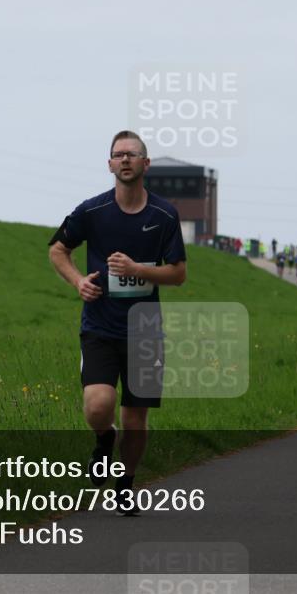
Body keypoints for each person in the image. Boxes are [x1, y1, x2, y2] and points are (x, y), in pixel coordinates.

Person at [47, 130, 187, 515]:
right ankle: (103, 440)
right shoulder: (91, 211)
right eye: (118, 154)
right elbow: (58, 249)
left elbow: (177, 274)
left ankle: (125, 484)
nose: (125, 159)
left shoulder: (163, 215)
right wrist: (78, 281)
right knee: (98, 405)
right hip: (100, 326)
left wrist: (138, 269)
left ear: (146, 164)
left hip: (145, 331)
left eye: (133, 154)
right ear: (109, 164)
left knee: (135, 417)